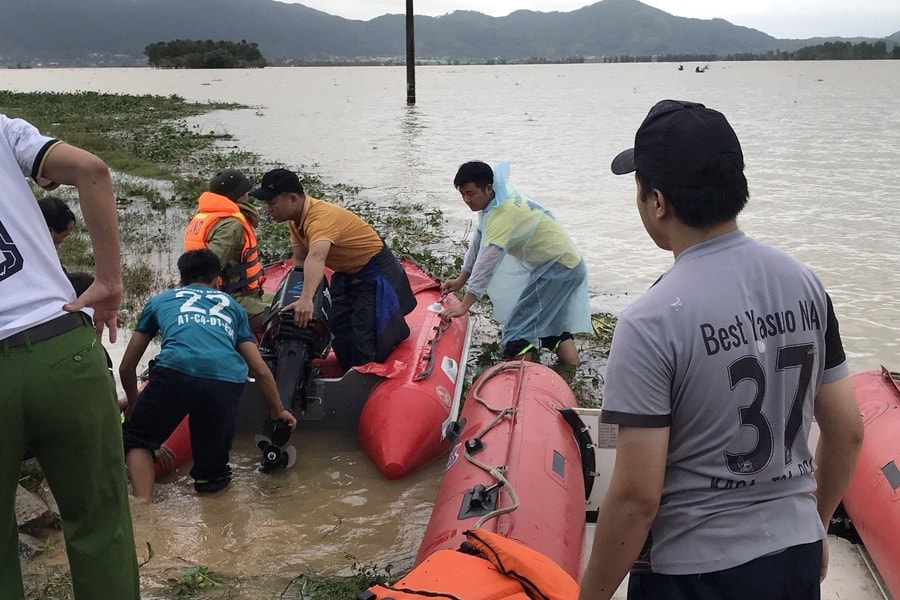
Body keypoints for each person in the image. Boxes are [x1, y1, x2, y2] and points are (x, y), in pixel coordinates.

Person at [578, 100, 864, 600]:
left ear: (658, 201)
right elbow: (848, 431)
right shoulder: (805, 284)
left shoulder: (650, 320)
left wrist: (591, 595)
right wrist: (814, 525)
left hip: (693, 574)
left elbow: (636, 497)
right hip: (794, 558)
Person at [0, 113, 140, 599]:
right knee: (101, 526)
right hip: (64, 348)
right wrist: (109, 282)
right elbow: (92, 169)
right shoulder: (1, 130)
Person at [119, 249, 297, 502]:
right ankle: (215, 514)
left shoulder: (160, 301)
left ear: (181, 280)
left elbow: (126, 366)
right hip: (226, 381)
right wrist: (278, 410)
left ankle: (143, 505)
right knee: (213, 472)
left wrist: (135, 402)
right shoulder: (233, 307)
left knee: (136, 438)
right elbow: (259, 369)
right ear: (217, 281)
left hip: (175, 372)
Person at [251, 168, 416, 371]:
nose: (268, 209)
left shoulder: (320, 218)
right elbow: (301, 260)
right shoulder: (295, 221)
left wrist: (306, 299)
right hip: (347, 273)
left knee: (366, 336)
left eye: (271, 203)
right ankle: (348, 372)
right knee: (338, 329)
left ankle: (378, 360)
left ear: (292, 199)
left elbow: (317, 256)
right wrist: (296, 296)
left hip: (375, 271)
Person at [440, 161, 591, 366]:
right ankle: (570, 374)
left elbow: (486, 264)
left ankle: (521, 386)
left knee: (517, 332)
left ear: (488, 188)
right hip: (563, 264)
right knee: (553, 327)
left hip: (559, 268)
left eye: (471, 193)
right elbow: (478, 241)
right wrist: (460, 280)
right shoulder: (496, 200)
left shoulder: (502, 214)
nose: (467, 199)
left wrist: (465, 305)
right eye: (462, 194)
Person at [184, 168, 270, 333]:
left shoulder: (204, 217)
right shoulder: (231, 225)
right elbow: (207, 268)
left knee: (287, 298)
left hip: (241, 293)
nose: (248, 195)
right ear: (239, 196)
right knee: (288, 313)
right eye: (245, 191)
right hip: (231, 299)